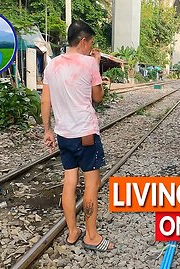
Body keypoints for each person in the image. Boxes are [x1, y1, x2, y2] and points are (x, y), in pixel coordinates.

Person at [41, 20, 114, 252]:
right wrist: (97, 64)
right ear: (82, 41)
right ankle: (91, 236)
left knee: (69, 182)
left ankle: (73, 232)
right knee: (92, 185)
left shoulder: (51, 65)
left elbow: (45, 101)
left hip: (64, 134)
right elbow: (98, 97)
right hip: (86, 134)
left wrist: (47, 130)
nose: (91, 46)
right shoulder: (89, 63)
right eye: (90, 42)